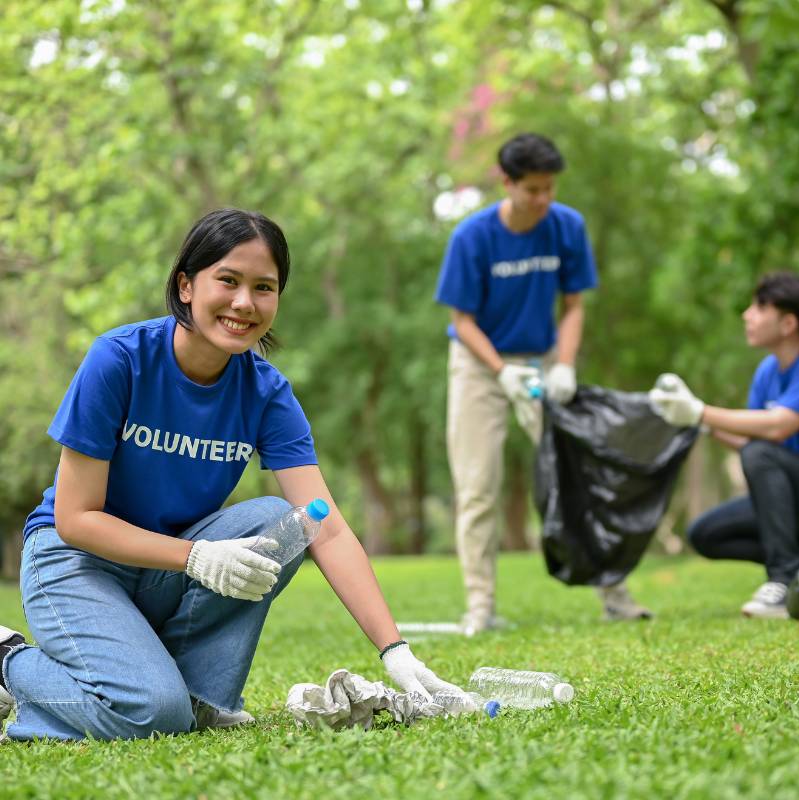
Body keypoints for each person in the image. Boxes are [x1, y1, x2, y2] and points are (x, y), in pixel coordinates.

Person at [0, 208, 458, 742]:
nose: (245, 303)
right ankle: (10, 662)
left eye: (264, 287)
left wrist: (395, 651)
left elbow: (325, 525)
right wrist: (194, 556)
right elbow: (75, 519)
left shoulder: (266, 393)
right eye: (228, 280)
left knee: (280, 522)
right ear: (186, 285)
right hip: (76, 560)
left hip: (167, 569)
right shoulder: (119, 361)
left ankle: (195, 696)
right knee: (151, 714)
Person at [434, 132, 650, 634]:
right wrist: (502, 371)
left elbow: (574, 305)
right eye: (533, 189)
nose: (544, 199)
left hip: (544, 356)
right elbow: (462, 321)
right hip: (477, 362)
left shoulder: (566, 227)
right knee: (478, 487)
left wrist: (564, 365)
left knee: (577, 478)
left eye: (550, 187)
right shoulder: (472, 237)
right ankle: (480, 607)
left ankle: (615, 595)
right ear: (507, 183)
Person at [649, 272, 799, 618]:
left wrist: (701, 411)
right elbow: (749, 440)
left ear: (788, 323)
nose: (747, 315)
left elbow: (777, 428)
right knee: (706, 533)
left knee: (761, 453)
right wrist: (695, 422)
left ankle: (784, 582)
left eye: (758, 307)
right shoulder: (767, 372)